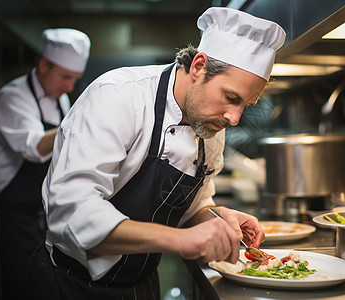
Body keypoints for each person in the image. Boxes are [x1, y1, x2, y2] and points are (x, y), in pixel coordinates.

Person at [26, 7, 286, 300]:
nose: (235, 118)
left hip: (142, 285)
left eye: (245, 105)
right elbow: (72, 211)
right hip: (69, 284)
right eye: (231, 98)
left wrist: (216, 216)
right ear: (199, 66)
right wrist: (180, 240)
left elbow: (193, 203)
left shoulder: (211, 124)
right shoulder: (118, 96)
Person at [0, 28, 90, 300]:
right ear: (44, 64)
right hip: (9, 214)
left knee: (36, 286)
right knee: (11, 287)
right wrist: (78, 123)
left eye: (75, 79)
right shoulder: (13, 98)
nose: (70, 87)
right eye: (65, 77)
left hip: (40, 215)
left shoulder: (60, 98)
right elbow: (34, 147)